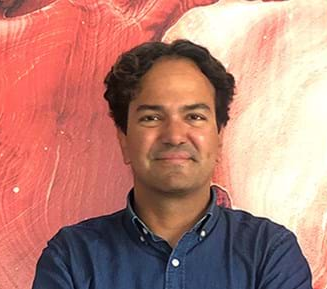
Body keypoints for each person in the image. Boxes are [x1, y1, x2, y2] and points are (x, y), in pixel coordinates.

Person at [31, 39, 312, 289]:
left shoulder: (269, 253)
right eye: (152, 117)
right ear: (123, 140)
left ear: (219, 137)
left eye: (195, 117)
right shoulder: (72, 258)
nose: (175, 136)